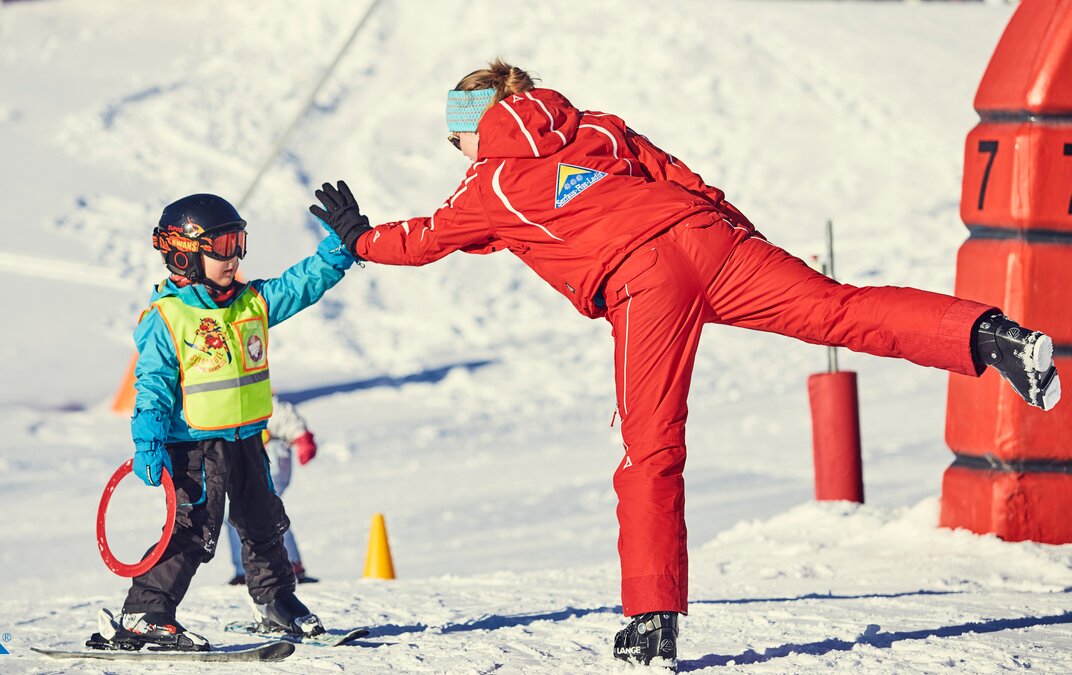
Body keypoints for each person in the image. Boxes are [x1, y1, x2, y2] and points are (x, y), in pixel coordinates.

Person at [308, 60, 1062, 668]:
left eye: (455, 141)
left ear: (474, 129)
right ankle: (990, 335)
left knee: (651, 446)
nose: (458, 155)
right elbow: (680, 176)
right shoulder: (595, 125)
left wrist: (359, 236)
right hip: (710, 238)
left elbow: (425, 239)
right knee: (838, 308)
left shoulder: (490, 184)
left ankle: (651, 619)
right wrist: (742, 244)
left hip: (644, 281)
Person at [115, 193, 355, 651]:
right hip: (195, 447)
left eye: (238, 243)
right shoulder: (168, 318)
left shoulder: (251, 303)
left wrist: (338, 250)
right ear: (184, 254)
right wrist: (148, 442)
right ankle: (145, 611)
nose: (234, 257)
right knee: (194, 530)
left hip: (247, 439)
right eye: (223, 246)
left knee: (265, 523)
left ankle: (275, 601)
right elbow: (153, 385)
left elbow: (300, 284)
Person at [225, 394, 320, 586]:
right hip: (252, 463)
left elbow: (283, 415)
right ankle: (247, 568)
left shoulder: (256, 398)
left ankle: (289, 563)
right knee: (243, 516)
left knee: (262, 512)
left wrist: (302, 437)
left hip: (270, 459)